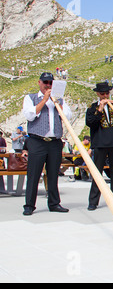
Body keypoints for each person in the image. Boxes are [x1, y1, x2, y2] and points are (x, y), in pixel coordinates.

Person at [22, 72, 72, 216]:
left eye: (50, 83)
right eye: (45, 82)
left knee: (53, 174)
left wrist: (57, 103)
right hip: (37, 141)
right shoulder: (30, 98)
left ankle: (54, 203)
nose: (48, 85)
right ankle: (29, 205)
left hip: (54, 142)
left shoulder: (59, 100)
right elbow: (29, 115)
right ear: (39, 83)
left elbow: (67, 116)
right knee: (34, 174)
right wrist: (44, 100)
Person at [85, 82, 113, 211]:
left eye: (106, 93)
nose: (105, 95)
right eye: (102, 93)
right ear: (98, 94)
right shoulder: (92, 108)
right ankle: (93, 201)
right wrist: (99, 110)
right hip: (100, 143)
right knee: (97, 173)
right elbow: (90, 123)